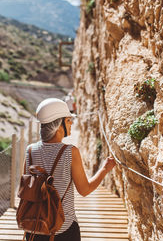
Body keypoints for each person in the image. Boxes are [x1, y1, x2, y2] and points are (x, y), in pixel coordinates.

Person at [24, 98, 116, 241]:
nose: (71, 123)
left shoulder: (30, 150)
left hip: (35, 227)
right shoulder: (70, 152)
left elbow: (28, 189)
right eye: (68, 120)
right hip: (63, 230)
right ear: (58, 125)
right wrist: (105, 168)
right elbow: (84, 190)